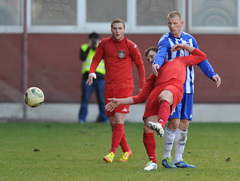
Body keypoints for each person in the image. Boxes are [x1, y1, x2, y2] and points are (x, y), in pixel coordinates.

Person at [105, 43, 207, 170]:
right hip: (157, 90)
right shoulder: (153, 78)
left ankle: (161, 123)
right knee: (147, 126)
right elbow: (141, 97)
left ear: (160, 54)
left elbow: (202, 56)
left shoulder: (178, 60)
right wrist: (120, 102)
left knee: (164, 95)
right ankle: (153, 162)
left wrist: (184, 46)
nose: (151, 60)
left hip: (173, 86)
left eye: (152, 56)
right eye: (148, 59)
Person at [152, 11, 221, 168]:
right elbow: (161, 53)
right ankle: (166, 157)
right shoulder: (165, 40)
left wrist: (212, 74)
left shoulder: (190, 40)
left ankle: (178, 159)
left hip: (188, 88)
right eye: (169, 23)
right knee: (174, 122)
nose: (172, 26)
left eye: (175, 23)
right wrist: (157, 62)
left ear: (181, 23)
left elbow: (201, 59)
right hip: (173, 88)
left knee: (184, 124)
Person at [86, 18, 146, 163]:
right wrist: (91, 72)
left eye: (120, 28)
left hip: (125, 88)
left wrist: (143, 86)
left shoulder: (131, 46)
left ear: (124, 30)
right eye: (114, 28)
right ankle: (127, 150)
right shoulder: (104, 43)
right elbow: (95, 58)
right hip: (109, 87)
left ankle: (112, 152)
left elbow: (140, 65)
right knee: (112, 122)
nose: (117, 31)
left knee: (119, 119)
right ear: (111, 29)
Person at [78, 32, 109, 123]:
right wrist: (89, 47)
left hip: (100, 78)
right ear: (89, 40)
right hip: (87, 78)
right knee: (85, 99)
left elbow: (105, 58)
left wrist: (97, 48)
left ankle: (105, 119)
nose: (94, 41)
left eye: (96, 40)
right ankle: (82, 119)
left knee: (102, 100)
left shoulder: (102, 48)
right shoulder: (84, 47)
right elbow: (82, 58)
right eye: (92, 40)